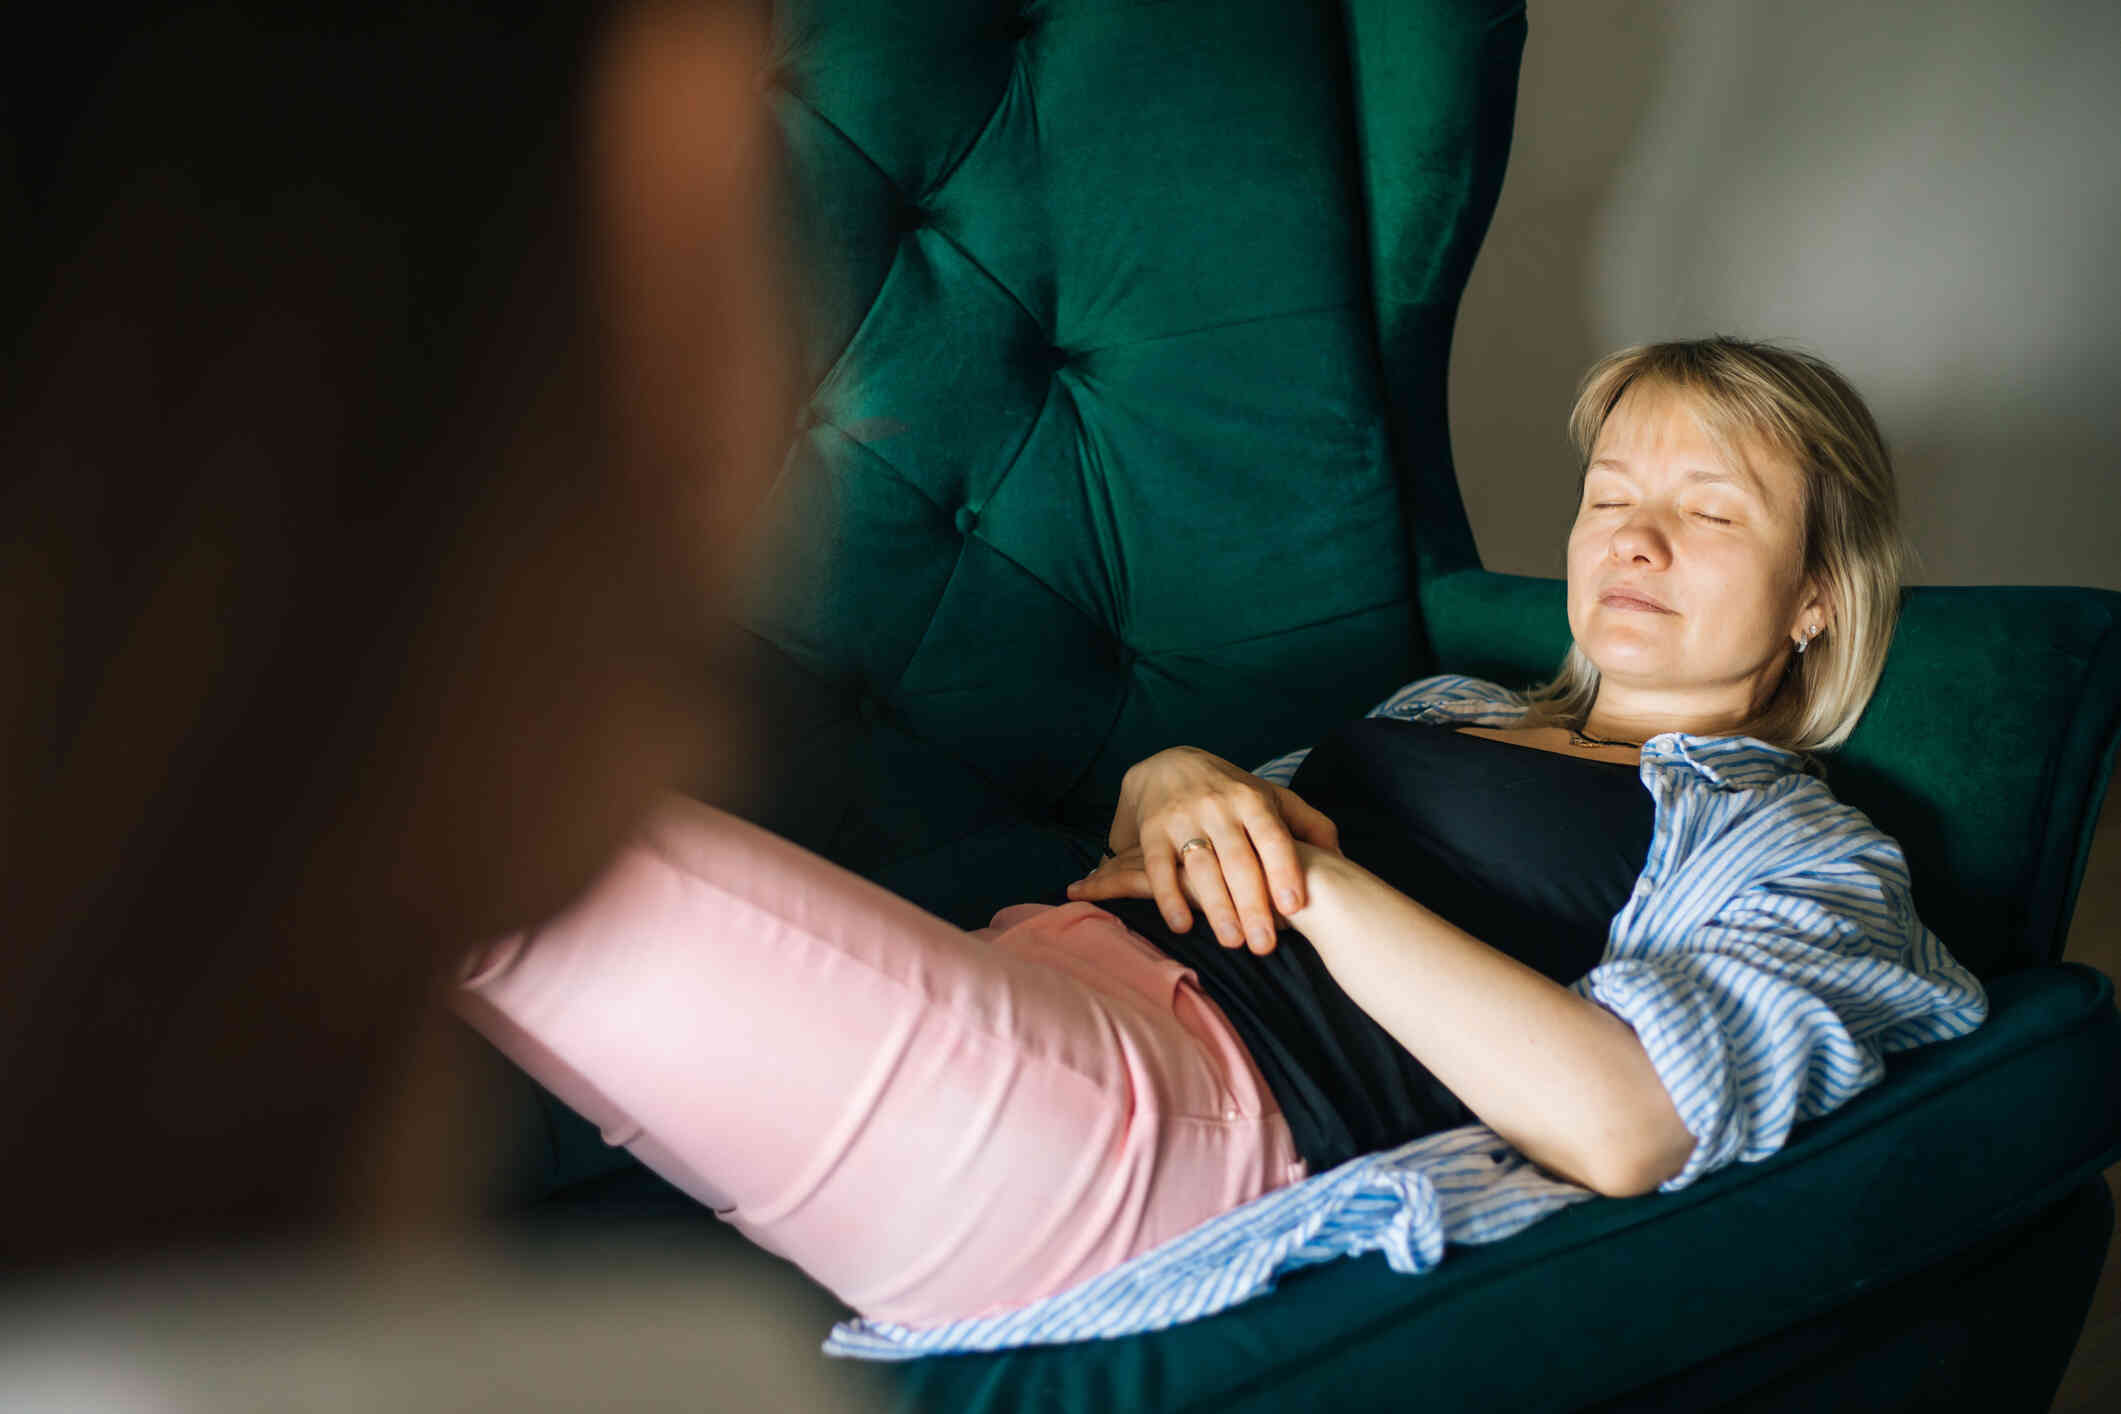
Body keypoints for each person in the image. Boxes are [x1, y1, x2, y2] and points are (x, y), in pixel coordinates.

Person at [452, 337, 1989, 1344]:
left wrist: (1312, 879)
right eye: (1609, 495)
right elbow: (1179, 838)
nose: (1634, 538)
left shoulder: (1792, 847)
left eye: (1708, 510)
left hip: (1158, 1117)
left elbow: (1627, 1120)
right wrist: (1173, 772)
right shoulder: (1450, 702)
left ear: (1816, 595)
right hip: (1031, 986)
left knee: (473, 821)